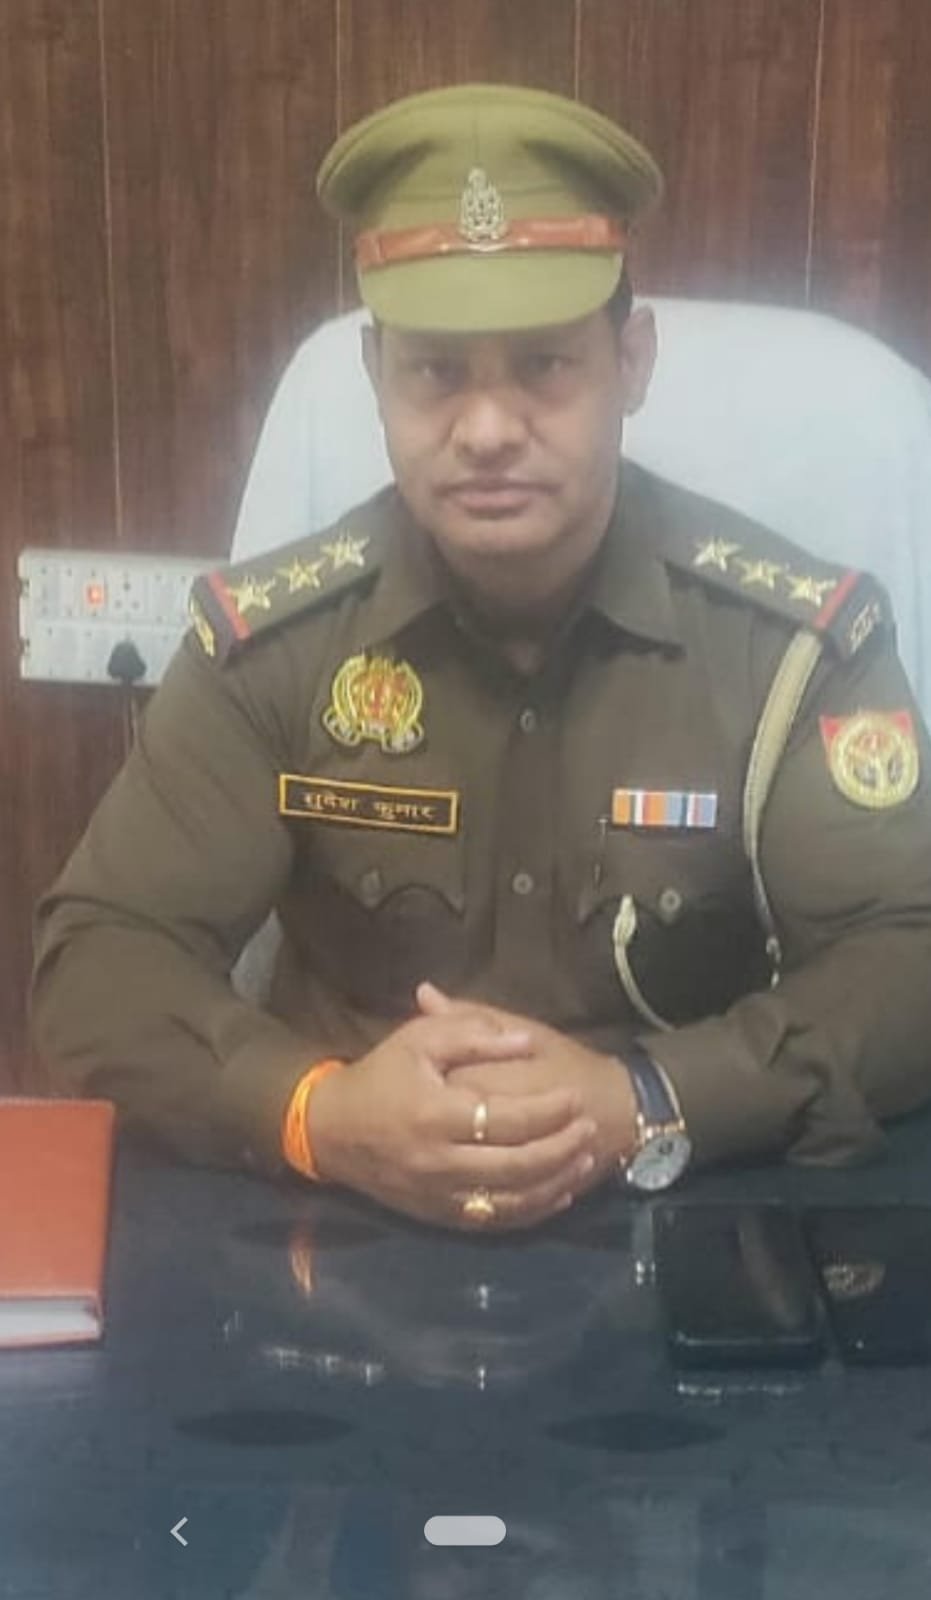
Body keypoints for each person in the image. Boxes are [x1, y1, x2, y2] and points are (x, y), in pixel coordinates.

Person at [32, 84, 931, 1232]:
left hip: (689, 1207)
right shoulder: (277, 643)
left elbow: (904, 958)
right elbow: (99, 959)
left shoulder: (788, 644)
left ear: (631, 361)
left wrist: (649, 1097)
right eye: (437, 372)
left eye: (545, 365)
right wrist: (317, 1110)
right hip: (331, 1217)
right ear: (375, 376)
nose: (489, 428)